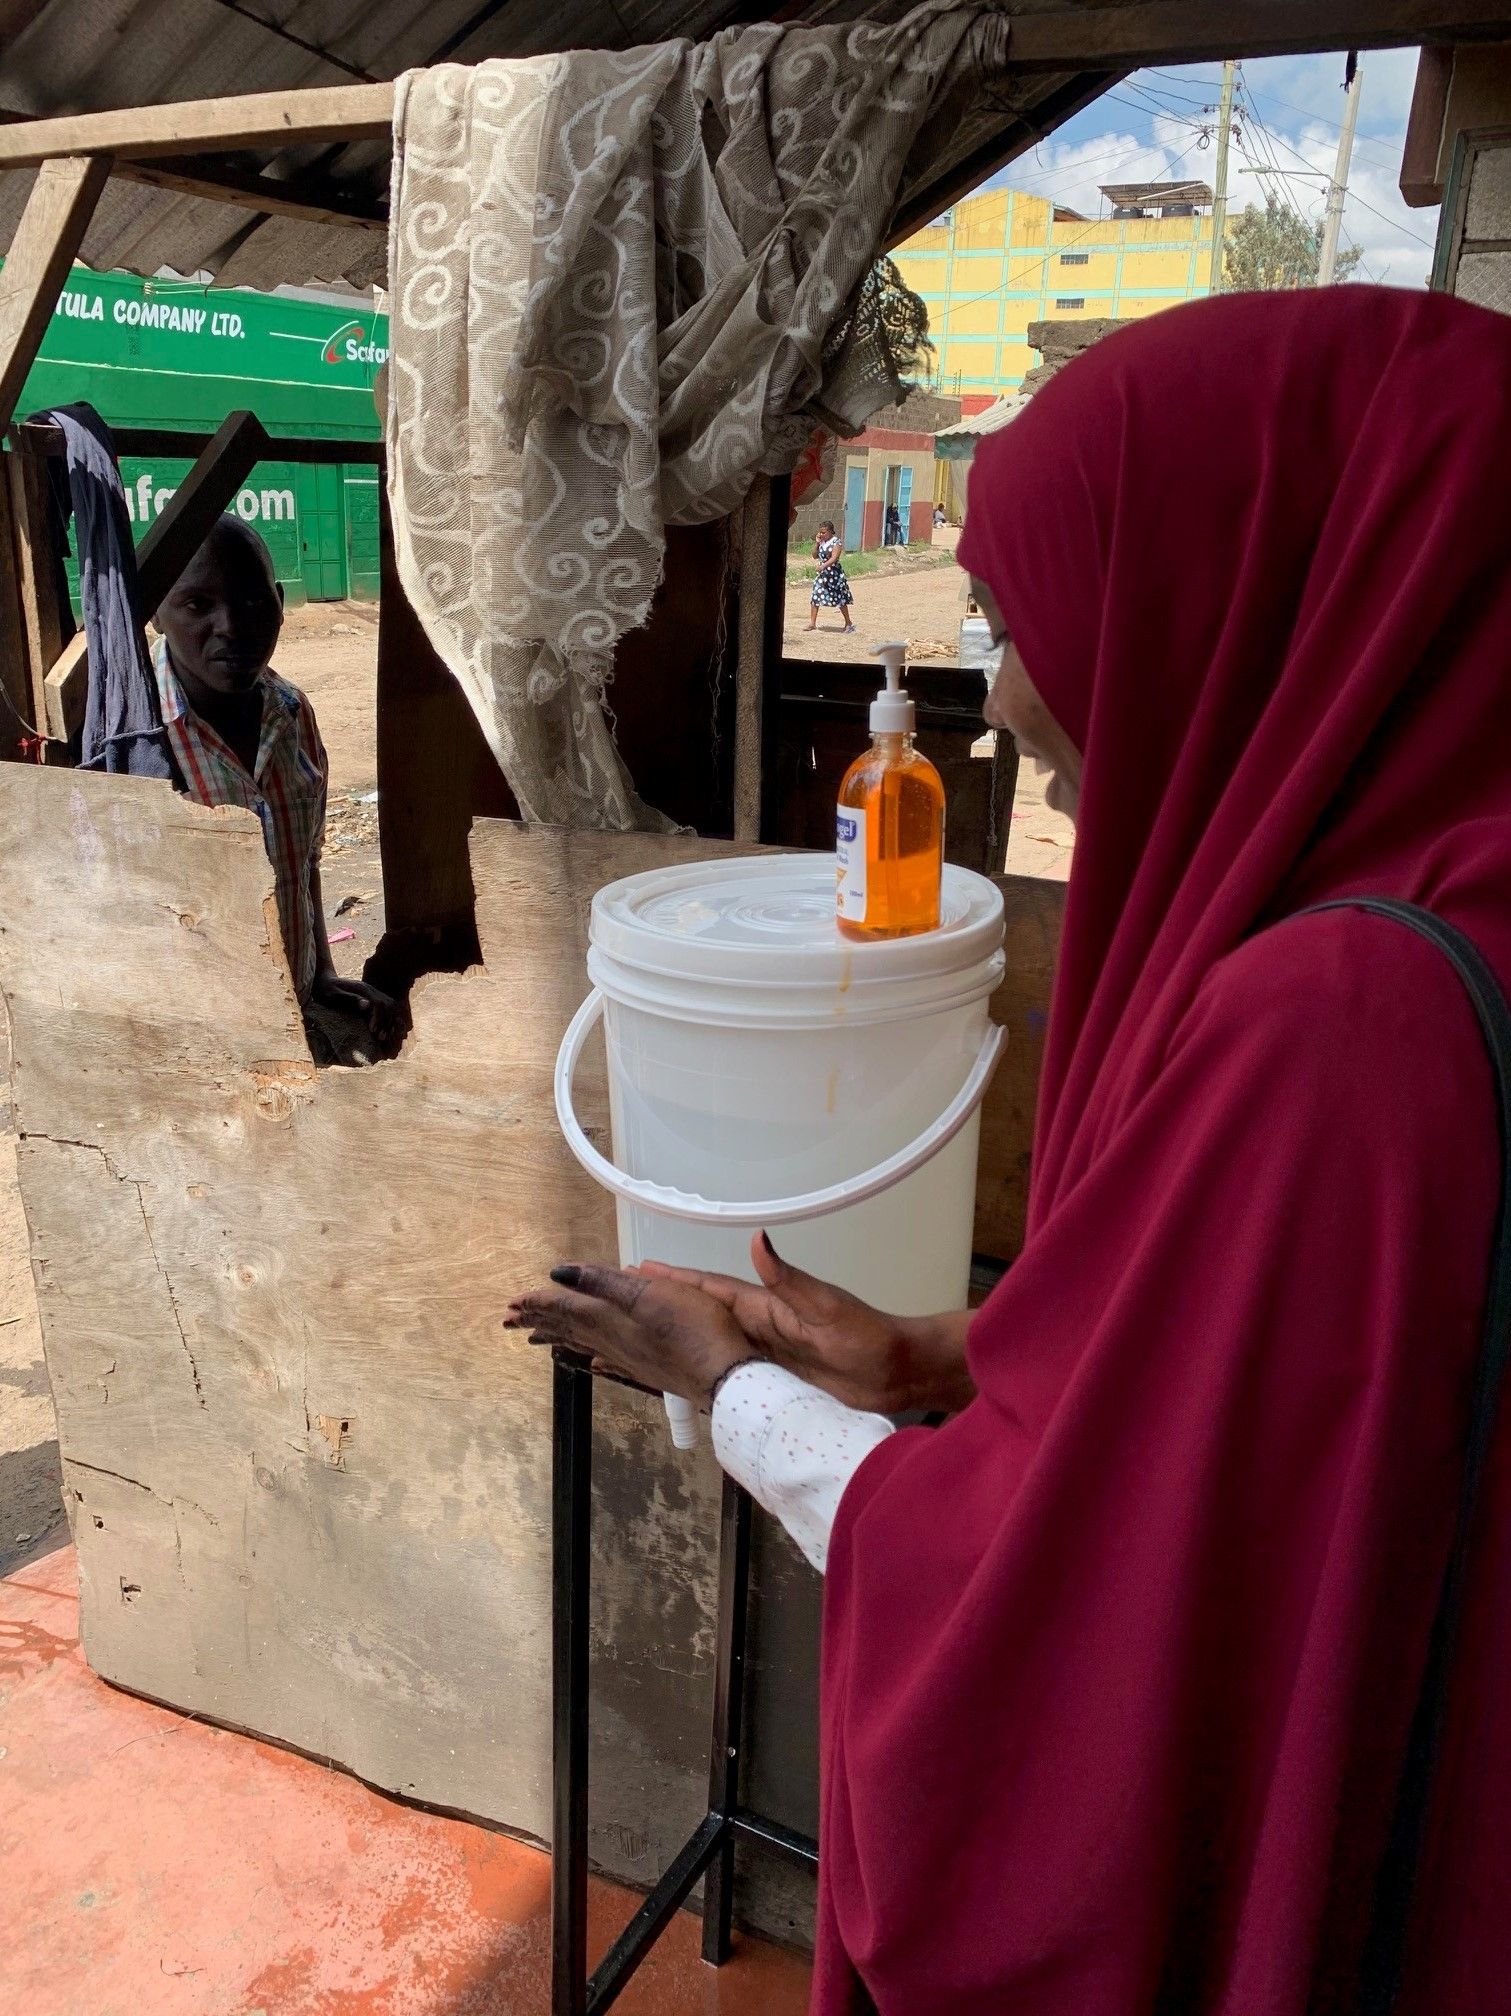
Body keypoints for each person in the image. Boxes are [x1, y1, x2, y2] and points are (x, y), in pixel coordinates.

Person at [506, 288, 1511, 2013]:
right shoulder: (1464, 887)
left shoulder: (1337, 1024)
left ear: (1217, 594)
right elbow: (1288, 1384)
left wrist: (735, 1392)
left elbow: (1057, 1618)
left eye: (1013, 605)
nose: (994, 678)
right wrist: (950, 1346)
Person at [153, 517, 394, 1061]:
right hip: (198, 1034)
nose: (232, 626)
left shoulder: (291, 711)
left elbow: (302, 857)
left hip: (295, 1012)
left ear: (281, 602)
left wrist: (323, 973)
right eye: (197, 605)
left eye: (254, 602)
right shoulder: (136, 738)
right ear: (156, 611)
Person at [808, 519, 855, 634]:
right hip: (823, 575)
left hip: (834, 575)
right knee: (815, 596)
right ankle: (812, 624)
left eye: (823, 532)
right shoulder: (822, 542)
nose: (821, 534)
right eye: (820, 532)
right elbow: (814, 555)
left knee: (839, 598)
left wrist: (823, 566)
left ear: (830, 532)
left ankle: (848, 622)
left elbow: (834, 558)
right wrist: (817, 543)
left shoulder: (836, 542)